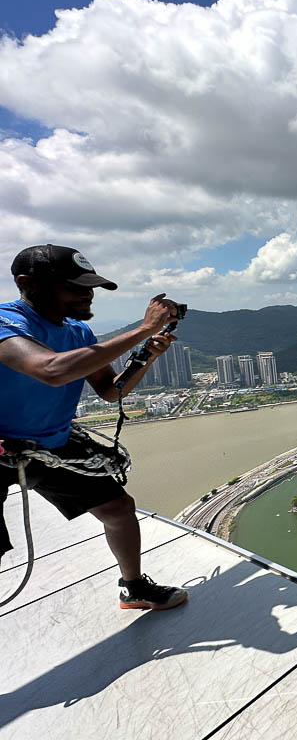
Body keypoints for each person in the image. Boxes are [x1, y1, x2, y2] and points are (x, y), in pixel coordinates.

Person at [0, 244, 188, 611]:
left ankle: (133, 588)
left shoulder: (78, 332)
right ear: (30, 284)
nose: (87, 295)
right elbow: (50, 370)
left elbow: (109, 390)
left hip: (50, 444)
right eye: (75, 287)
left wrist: (146, 354)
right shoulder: (7, 324)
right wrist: (144, 328)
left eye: (90, 287)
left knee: (119, 508)